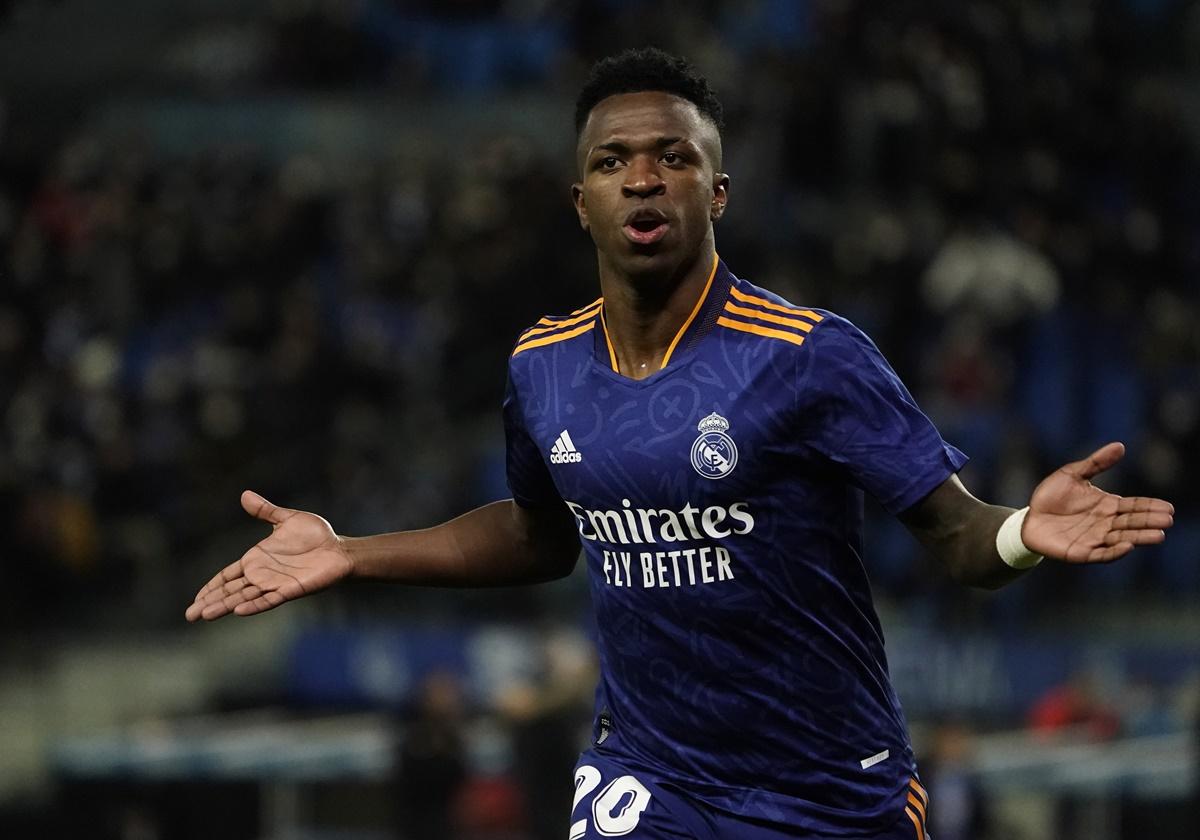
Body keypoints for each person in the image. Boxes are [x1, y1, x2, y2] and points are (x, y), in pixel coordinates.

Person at [186, 48, 1174, 840]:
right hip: (648, 774)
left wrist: (1020, 535)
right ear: (581, 202)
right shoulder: (542, 365)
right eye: (613, 161)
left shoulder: (811, 357)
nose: (644, 179)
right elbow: (542, 535)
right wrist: (353, 551)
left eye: (675, 156)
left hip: (827, 789)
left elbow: (955, 534)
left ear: (720, 191)